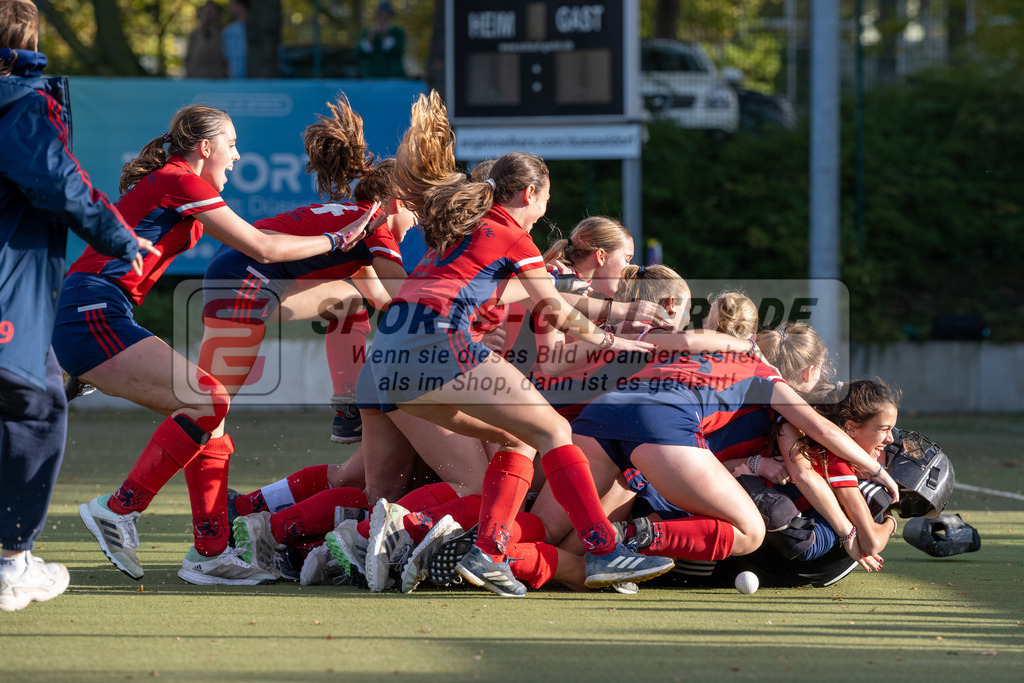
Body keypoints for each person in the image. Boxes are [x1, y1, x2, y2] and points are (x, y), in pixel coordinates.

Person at [365, 91, 675, 598]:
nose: (544, 210)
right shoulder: (512, 233)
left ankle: (487, 553)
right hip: (437, 343)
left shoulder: (463, 225)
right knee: (554, 428)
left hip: (389, 360)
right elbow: (557, 310)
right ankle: (603, 548)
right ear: (529, 193)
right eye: (547, 199)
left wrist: (614, 315)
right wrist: (613, 340)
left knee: (520, 439)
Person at [57, 104, 375, 586]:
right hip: (93, 310)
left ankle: (211, 553)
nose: (237, 154)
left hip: (102, 311)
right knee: (208, 400)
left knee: (211, 416)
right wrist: (339, 239)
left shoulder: (180, 185)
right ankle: (118, 509)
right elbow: (264, 248)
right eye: (230, 144)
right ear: (205, 148)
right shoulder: (180, 181)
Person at [566, 267, 900, 574]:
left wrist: (616, 340)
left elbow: (687, 343)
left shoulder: (723, 356)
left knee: (573, 547)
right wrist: (872, 491)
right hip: (652, 458)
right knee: (755, 530)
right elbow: (817, 439)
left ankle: (533, 556)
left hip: (613, 432)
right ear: (809, 371)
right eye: (883, 431)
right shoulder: (771, 390)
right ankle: (629, 538)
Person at [0, 0, 154, 611]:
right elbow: (55, 178)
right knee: (35, 403)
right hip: (10, 298)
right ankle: (12, 561)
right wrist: (117, 235)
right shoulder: (21, 103)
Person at [356, 1, 406, 79]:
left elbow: (397, 51)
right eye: (381, 14)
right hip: (370, 75)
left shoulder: (397, 32)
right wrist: (370, 38)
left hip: (393, 76)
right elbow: (360, 53)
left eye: (386, 14)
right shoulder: (367, 32)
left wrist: (385, 36)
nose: (383, 17)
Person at [185, 1, 228, 79]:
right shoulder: (194, 35)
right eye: (205, 11)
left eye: (211, 11)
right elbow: (188, 59)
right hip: (197, 80)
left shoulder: (224, 34)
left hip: (218, 81)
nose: (208, 15)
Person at [222, 0, 248, 79]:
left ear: (240, 6)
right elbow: (225, 59)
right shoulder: (228, 31)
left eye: (231, 7)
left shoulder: (254, 30)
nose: (229, 10)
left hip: (253, 80)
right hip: (233, 80)